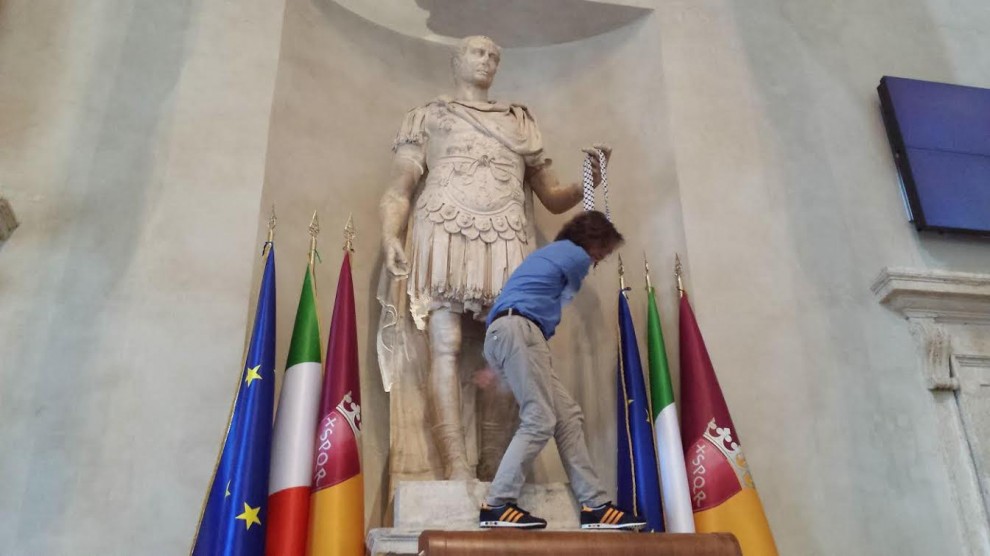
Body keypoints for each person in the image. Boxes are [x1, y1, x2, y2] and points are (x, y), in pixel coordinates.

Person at [378, 34, 609, 480]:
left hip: (505, 232)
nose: (486, 61)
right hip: (444, 227)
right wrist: (391, 234)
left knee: (506, 347)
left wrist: (589, 178)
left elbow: (552, 197)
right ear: (456, 61)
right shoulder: (428, 116)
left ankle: (492, 466)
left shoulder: (519, 123)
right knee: (444, 344)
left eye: (493, 56)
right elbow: (400, 187)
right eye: (477, 53)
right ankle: (455, 465)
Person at [477, 211, 645, 530]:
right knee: (539, 419)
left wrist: (494, 365)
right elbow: (564, 294)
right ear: (593, 240)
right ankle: (497, 504)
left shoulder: (552, 255)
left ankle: (594, 505)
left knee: (567, 417)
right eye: (603, 250)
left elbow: (522, 302)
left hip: (510, 332)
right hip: (521, 330)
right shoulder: (574, 255)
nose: (600, 259)